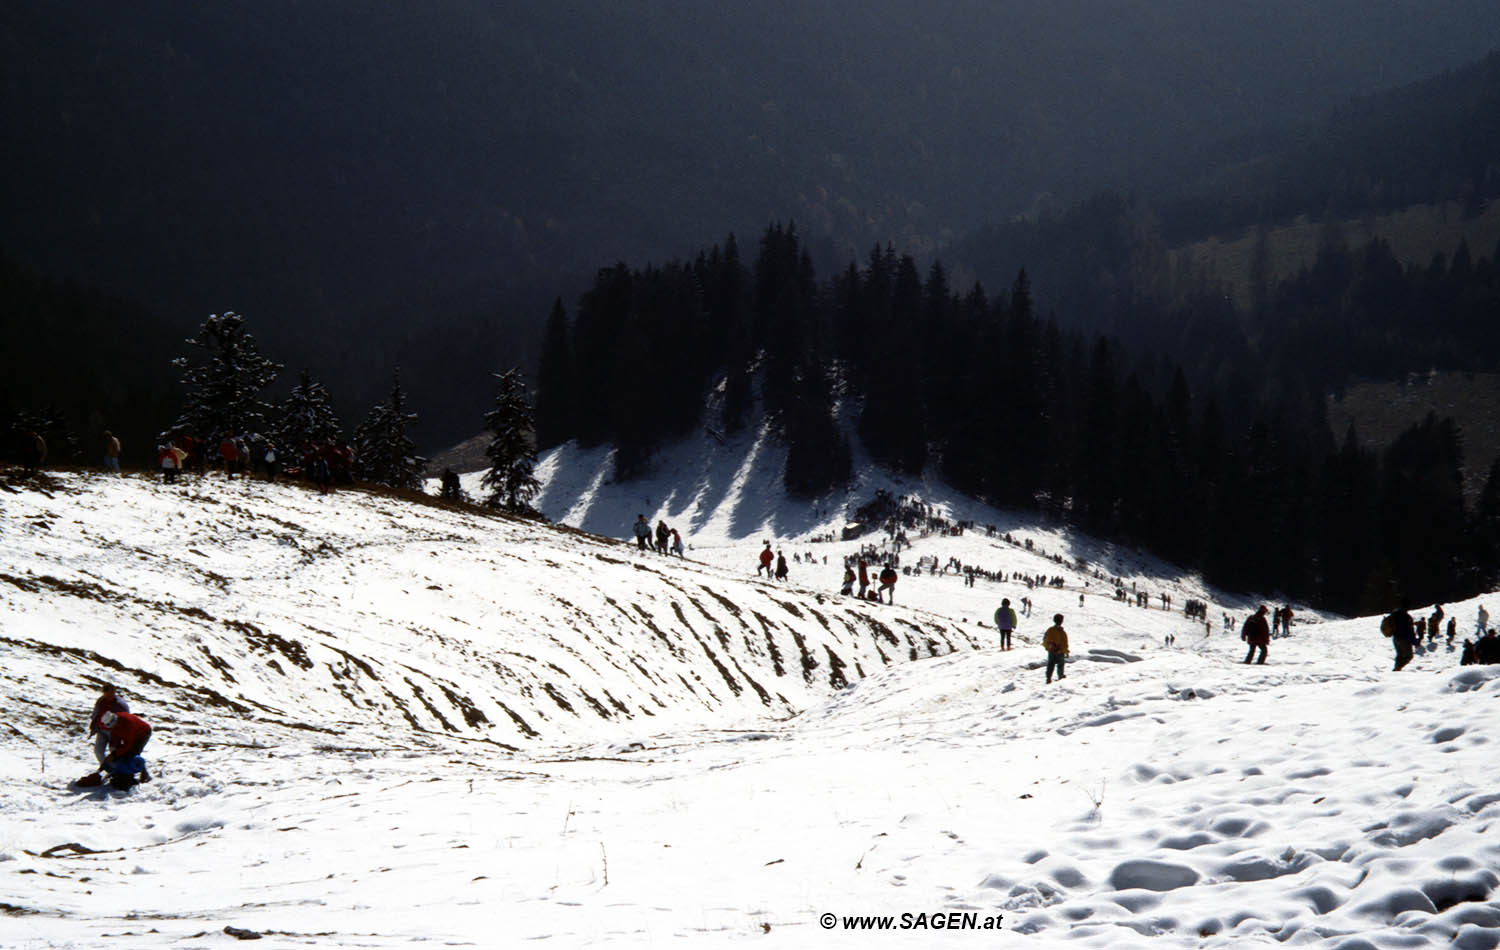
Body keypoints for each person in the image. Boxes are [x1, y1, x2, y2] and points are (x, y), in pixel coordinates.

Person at [98, 708, 152, 786]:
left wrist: (114, 755)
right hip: (132, 733)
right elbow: (115, 736)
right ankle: (119, 772)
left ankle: (144, 775)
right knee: (123, 754)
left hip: (143, 733)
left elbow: (128, 745)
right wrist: (115, 749)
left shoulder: (127, 724)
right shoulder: (115, 722)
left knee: (134, 753)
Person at [87, 684, 130, 767]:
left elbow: (126, 718)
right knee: (98, 751)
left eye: (110, 693)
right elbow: (96, 713)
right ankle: (106, 768)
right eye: (105, 693)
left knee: (114, 751)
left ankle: (118, 769)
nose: (107, 696)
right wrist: (93, 726)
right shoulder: (101, 701)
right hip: (101, 730)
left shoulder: (120, 704)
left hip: (114, 732)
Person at [1382, 600, 1417, 671]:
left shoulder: (1394, 614)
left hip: (1395, 638)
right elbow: (1409, 630)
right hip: (1404, 639)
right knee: (1409, 656)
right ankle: (1397, 669)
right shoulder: (1406, 616)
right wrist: (1415, 642)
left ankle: (1396, 670)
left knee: (1399, 655)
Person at [1043, 614, 1069, 683]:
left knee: (1050, 664)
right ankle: (1060, 676)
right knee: (1060, 664)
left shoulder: (1050, 630)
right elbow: (1064, 643)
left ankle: (1048, 678)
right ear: (1062, 621)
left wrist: (1047, 647)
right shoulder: (1062, 632)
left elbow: (1045, 638)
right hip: (1060, 651)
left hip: (1051, 650)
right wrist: (1066, 651)